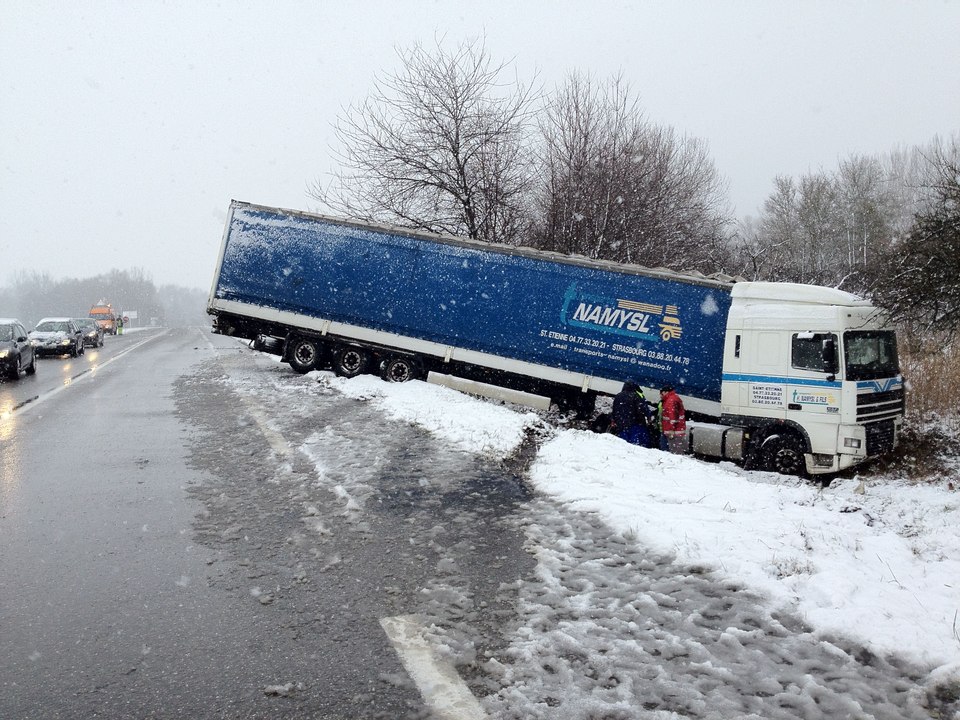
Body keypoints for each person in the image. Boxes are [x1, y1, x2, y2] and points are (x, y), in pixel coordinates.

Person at [611, 381, 653, 447]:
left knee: (623, 442)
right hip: (634, 423)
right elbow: (642, 408)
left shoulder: (618, 396)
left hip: (621, 423)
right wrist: (647, 417)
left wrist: (614, 419)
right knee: (634, 443)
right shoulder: (636, 396)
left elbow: (614, 409)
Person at [658, 384, 687, 454]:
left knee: (674, 451)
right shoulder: (671, 399)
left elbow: (673, 417)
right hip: (672, 429)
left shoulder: (671, 401)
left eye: (661, 393)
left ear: (666, 392)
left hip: (673, 431)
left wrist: (671, 430)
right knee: (673, 450)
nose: (660, 395)